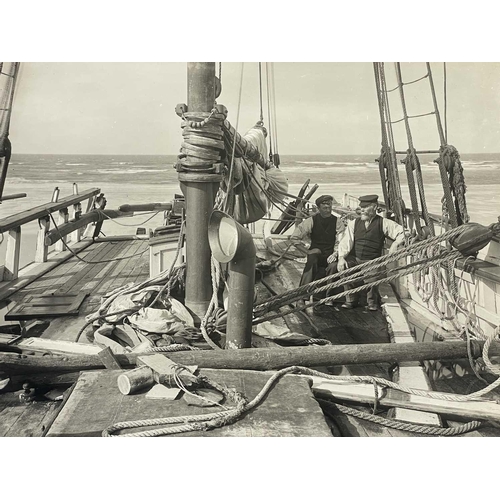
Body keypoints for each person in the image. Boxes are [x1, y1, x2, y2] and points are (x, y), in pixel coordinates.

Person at [327, 194, 405, 311]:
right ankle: (351, 300)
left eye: (365, 207)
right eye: (361, 207)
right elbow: (346, 241)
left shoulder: (383, 223)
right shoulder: (354, 223)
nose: (362, 209)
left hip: (372, 260)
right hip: (356, 258)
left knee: (373, 277)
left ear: (374, 207)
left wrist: (395, 244)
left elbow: (403, 232)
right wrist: (342, 257)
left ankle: (372, 302)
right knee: (345, 268)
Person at [289, 194, 345, 306]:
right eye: (324, 207)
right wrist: (307, 252)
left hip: (331, 253)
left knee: (333, 266)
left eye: (329, 205)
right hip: (316, 253)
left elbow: (341, 241)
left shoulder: (338, 222)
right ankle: (302, 297)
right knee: (311, 262)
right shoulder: (311, 221)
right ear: (318, 208)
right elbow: (294, 238)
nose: (327, 208)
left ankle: (328, 296)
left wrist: (335, 253)